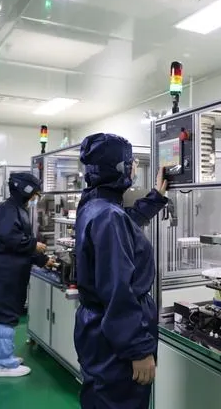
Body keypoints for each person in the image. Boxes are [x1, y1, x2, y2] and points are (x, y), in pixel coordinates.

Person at [74, 133, 168, 409]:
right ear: (120, 167)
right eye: (131, 161)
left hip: (99, 331)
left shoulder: (95, 206)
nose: (135, 166)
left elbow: (125, 223)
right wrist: (137, 349)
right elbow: (118, 290)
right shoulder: (108, 216)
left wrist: (155, 199)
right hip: (116, 340)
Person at [0, 172, 51, 377]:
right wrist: (34, 245)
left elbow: (20, 245)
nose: (36, 198)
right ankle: (5, 364)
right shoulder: (8, 209)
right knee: (7, 314)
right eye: (35, 194)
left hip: (9, 266)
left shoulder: (14, 208)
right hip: (7, 269)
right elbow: (12, 238)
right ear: (26, 191)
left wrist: (43, 260)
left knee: (4, 313)